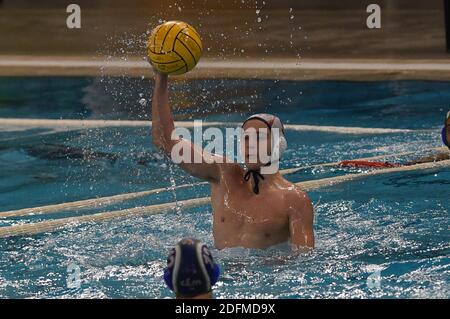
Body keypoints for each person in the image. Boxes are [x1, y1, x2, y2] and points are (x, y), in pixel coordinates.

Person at [151, 71, 314, 250]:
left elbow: (303, 257)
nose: (250, 144)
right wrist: (162, 79)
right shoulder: (223, 174)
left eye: (259, 137)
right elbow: (166, 142)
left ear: (279, 145)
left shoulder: (294, 200)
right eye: (246, 138)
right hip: (218, 274)